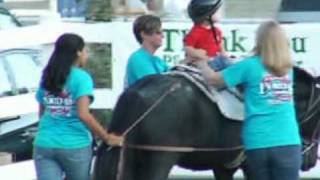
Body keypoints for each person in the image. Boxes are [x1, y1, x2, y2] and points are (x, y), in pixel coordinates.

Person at [196, 21, 301, 180]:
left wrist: (201, 62)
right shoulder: (289, 70)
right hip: (289, 141)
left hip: (258, 142)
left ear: (260, 41)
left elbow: (213, 79)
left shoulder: (249, 66)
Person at [33, 33, 123, 180]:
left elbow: (42, 111)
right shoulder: (81, 78)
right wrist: (106, 137)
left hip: (44, 142)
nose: (86, 55)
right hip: (74, 144)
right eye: (85, 51)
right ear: (78, 53)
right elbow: (83, 114)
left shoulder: (48, 75)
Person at [184, 0, 230, 71]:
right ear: (206, 15)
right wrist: (197, 54)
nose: (219, 14)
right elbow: (188, 48)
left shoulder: (217, 31)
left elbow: (220, 46)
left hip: (215, 60)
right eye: (216, 12)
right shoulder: (195, 32)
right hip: (203, 63)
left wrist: (224, 55)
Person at [125, 14, 169, 88]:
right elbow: (154, 87)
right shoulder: (137, 58)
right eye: (158, 33)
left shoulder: (158, 61)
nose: (163, 36)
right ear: (143, 34)